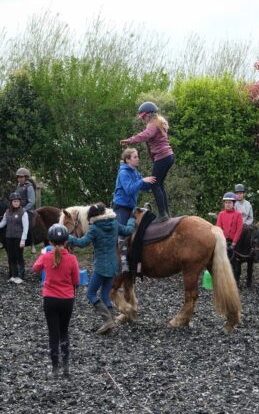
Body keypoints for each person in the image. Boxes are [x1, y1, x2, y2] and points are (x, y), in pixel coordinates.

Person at [67, 202, 136, 335]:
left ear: (93, 216)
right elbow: (128, 230)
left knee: (91, 294)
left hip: (100, 267)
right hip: (114, 265)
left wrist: (67, 236)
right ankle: (110, 324)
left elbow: (82, 243)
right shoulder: (115, 223)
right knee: (105, 294)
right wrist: (132, 218)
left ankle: (107, 320)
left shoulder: (94, 228)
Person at [32, 224, 80, 378]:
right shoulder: (72, 259)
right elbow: (76, 280)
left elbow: (35, 269)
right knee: (64, 331)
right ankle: (66, 367)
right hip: (67, 299)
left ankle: (55, 369)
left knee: (53, 333)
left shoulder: (46, 257)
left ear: (50, 242)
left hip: (50, 299)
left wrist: (42, 255)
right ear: (66, 241)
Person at [120, 102, 174, 223]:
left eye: (144, 116)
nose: (143, 119)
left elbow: (145, 135)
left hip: (162, 157)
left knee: (154, 184)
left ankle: (163, 214)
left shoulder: (153, 125)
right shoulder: (159, 123)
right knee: (159, 184)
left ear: (150, 114)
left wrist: (130, 140)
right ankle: (166, 213)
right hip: (168, 156)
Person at [113, 147, 156, 273]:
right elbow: (130, 189)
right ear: (127, 160)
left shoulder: (134, 171)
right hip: (121, 207)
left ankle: (136, 257)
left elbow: (142, 186)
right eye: (135, 157)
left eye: (137, 156)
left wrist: (152, 183)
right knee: (123, 233)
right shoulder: (123, 173)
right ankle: (123, 260)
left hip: (131, 206)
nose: (138, 159)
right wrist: (142, 180)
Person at [0, 192, 29, 284]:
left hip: (18, 238)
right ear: (11, 202)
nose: (16, 203)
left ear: (19, 202)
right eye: (14, 201)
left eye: (17, 201)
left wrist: (23, 239)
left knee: (19, 257)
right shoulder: (7, 212)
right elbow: (3, 223)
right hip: (9, 238)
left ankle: (21, 276)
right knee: (11, 257)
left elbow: (26, 227)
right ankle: (14, 275)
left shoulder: (23, 212)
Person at [15, 167, 36, 253]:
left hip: (28, 210)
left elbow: (32, 201)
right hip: (18, 208)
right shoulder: (18, 186)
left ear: (26, 177)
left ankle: (32, 244)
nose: (20, 178)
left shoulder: (29, 187)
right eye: (19, 177)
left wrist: (24, 209)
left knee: (29, 224)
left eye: (22, 177)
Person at [216, 192, 243, 257]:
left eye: (230, 203)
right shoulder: (221, 214)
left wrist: (234, 243)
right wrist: (222, 241)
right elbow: (218, 228)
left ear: (233, 204)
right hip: (223, 241)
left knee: (234, 260)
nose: (228, 204)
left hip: (234, 241)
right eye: (226, 203)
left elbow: (239, 229)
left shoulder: (238, 214)